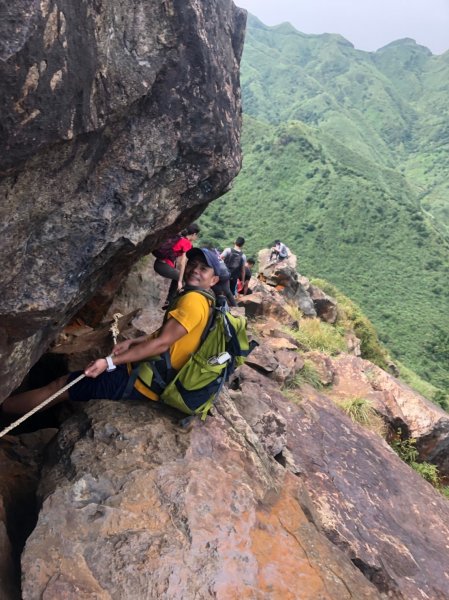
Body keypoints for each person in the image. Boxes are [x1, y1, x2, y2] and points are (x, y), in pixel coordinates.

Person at [2, 248, 221, 417]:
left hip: (142, 382)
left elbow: (161, 344)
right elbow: (170, 336)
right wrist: (134, 343)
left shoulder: (192, 300)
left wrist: (108, 362)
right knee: (62, 385)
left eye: (204, 268)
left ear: (214, 280)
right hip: (157, 376)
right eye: (193, 264)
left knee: (60, 386)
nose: (195, 270)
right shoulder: (207, 302)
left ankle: (5, 408)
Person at [153, 223, 200, 308]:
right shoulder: (187, 243)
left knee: (178, 277)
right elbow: (182, 263)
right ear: (194, 234)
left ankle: (169, 301)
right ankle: (176, 303)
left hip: (159, 264)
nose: (196, 238)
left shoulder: (179, 238)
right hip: (162, 266)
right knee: (183, 278)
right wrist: (180, 281)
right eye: (197, 236)